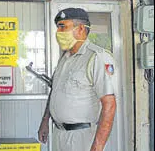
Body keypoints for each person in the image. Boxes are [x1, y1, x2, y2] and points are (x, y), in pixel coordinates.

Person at [37, 8, 117, 151]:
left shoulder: (97, 57)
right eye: (57, 27)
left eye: (63, 27)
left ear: (80, 29)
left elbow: (109, 104)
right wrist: (45, 121)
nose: (58, 32)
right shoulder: (65, 58)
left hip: (82, 137)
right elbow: (55, 92)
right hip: (59, 134)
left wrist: (97, 147)